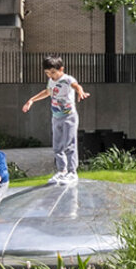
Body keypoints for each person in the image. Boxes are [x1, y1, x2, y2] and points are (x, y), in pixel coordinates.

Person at [22, 55, 89, 184]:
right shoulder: (51, 82)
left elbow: (76, 86)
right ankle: (62, 171)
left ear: (61, 69)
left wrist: (80, 92)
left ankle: (72, 172)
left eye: (53, 72)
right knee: (57, 146)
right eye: (47, 73)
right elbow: (47, 92)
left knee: (69, 144)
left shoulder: (67, 79)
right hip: (56, 117)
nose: (50, 75)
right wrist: (31, 100)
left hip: (69, 116)